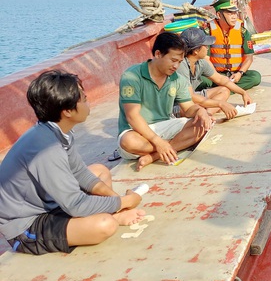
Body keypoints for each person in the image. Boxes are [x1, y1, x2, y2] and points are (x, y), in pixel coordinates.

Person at [0, 70, 145, 255]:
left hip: (51, 200)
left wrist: (117, 202)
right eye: (84, 99)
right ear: (67, 111)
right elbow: (76, 204)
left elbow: (80, 173)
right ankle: (110, 219)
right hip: (26, 224)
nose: (88, 102)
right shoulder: (46, 148)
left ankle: (105, 216)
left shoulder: (58, 130)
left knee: (100, 171)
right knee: (104, 225)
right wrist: (123, 202)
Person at [118, 32, 212, 171]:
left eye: (179, 62)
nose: (176, 66)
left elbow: (187, 109)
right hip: (138, 131)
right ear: (157, 54)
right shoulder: (132, 76)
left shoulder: (177, 79)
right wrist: (158, 142)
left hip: (166, 124)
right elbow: (133, 117)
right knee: (128, 142)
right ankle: (173, 145)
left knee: (203, 124)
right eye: (173, 60)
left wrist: (200, 110)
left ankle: (153, 156)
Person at [177, 27, 252, 119]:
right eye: (205, 45)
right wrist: (219, 104)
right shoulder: (181, 65)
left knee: (224, 90)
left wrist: (243, 93)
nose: (208, 48)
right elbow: (190, 97)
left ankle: (208, 114)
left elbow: (220, 79)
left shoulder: (200, 62)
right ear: (196, 50)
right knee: (195, 108)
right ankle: (205, 114)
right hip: (179, 105)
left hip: (192, 98)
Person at [197, 0, 261, 91]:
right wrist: (217, 77)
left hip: (235, 74)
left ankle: (222, 90)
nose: (234, 17)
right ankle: (227, 88)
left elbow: (249, 57)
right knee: (200, 80)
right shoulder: (208, 31)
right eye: (230, 13)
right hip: (215, 74)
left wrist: (240, 73)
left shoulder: (242, 31)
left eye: (235, 13)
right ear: (219, 15)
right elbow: (205, 58)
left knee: (255, 77)